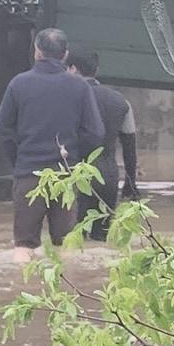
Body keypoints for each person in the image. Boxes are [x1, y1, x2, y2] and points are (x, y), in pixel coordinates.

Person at [0, 28, 105, 263]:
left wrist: (20, 160)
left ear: (37, 52)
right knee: (66, 244)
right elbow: (96, 133)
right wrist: (73, 160)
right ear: (65, 54)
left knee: (23, 246)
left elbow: (1, 130)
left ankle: (19, 290)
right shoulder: (80, 87)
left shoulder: (18, 84)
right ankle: (67, 294)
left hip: (29, 173)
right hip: (65, 175)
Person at [65, 51, 140, 242]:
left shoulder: (66, 99)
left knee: (73, 240)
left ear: (72, 69)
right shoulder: (121, 102)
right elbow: (129, 147)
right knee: (101, 240)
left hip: (75, 175)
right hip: (108, 176)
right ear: (96, 70)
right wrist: (130, 184)